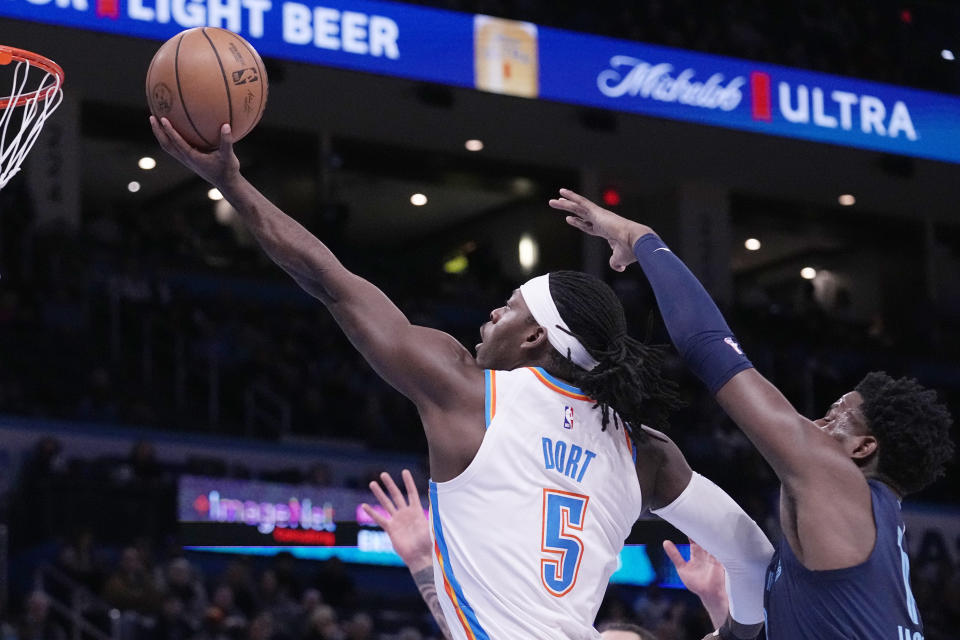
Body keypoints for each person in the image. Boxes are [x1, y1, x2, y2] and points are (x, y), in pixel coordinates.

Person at [151, 118, 773, 639]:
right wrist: (740, 630)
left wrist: (231, 183)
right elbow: (754, 555)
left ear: (536, 338)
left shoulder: (468, 393)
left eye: (509, 306)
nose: (492, 314)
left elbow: (328, 281)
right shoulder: (644, 451)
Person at [549, 188, 956, 639]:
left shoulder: (835, 480)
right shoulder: (864, 537)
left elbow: (709, 348)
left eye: (834, 417)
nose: (815, 424)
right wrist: (727, 617)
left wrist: (640, 236)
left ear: (863, 447)